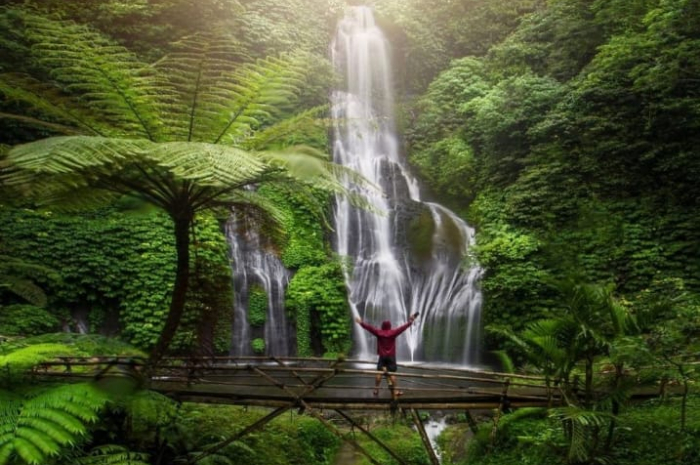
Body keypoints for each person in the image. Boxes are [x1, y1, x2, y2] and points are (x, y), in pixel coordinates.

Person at [355, 312, 419, 397]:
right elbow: (403, 328)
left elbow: (369, 328)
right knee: (392, 374)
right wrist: (410, 322)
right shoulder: (394, 332)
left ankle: (376, 389)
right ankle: (395, 391)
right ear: (390, 326)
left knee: (379, 373)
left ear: (382, 326)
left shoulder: (378, 332)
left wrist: (361, 323)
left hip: (382, 356)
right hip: (391, 356)